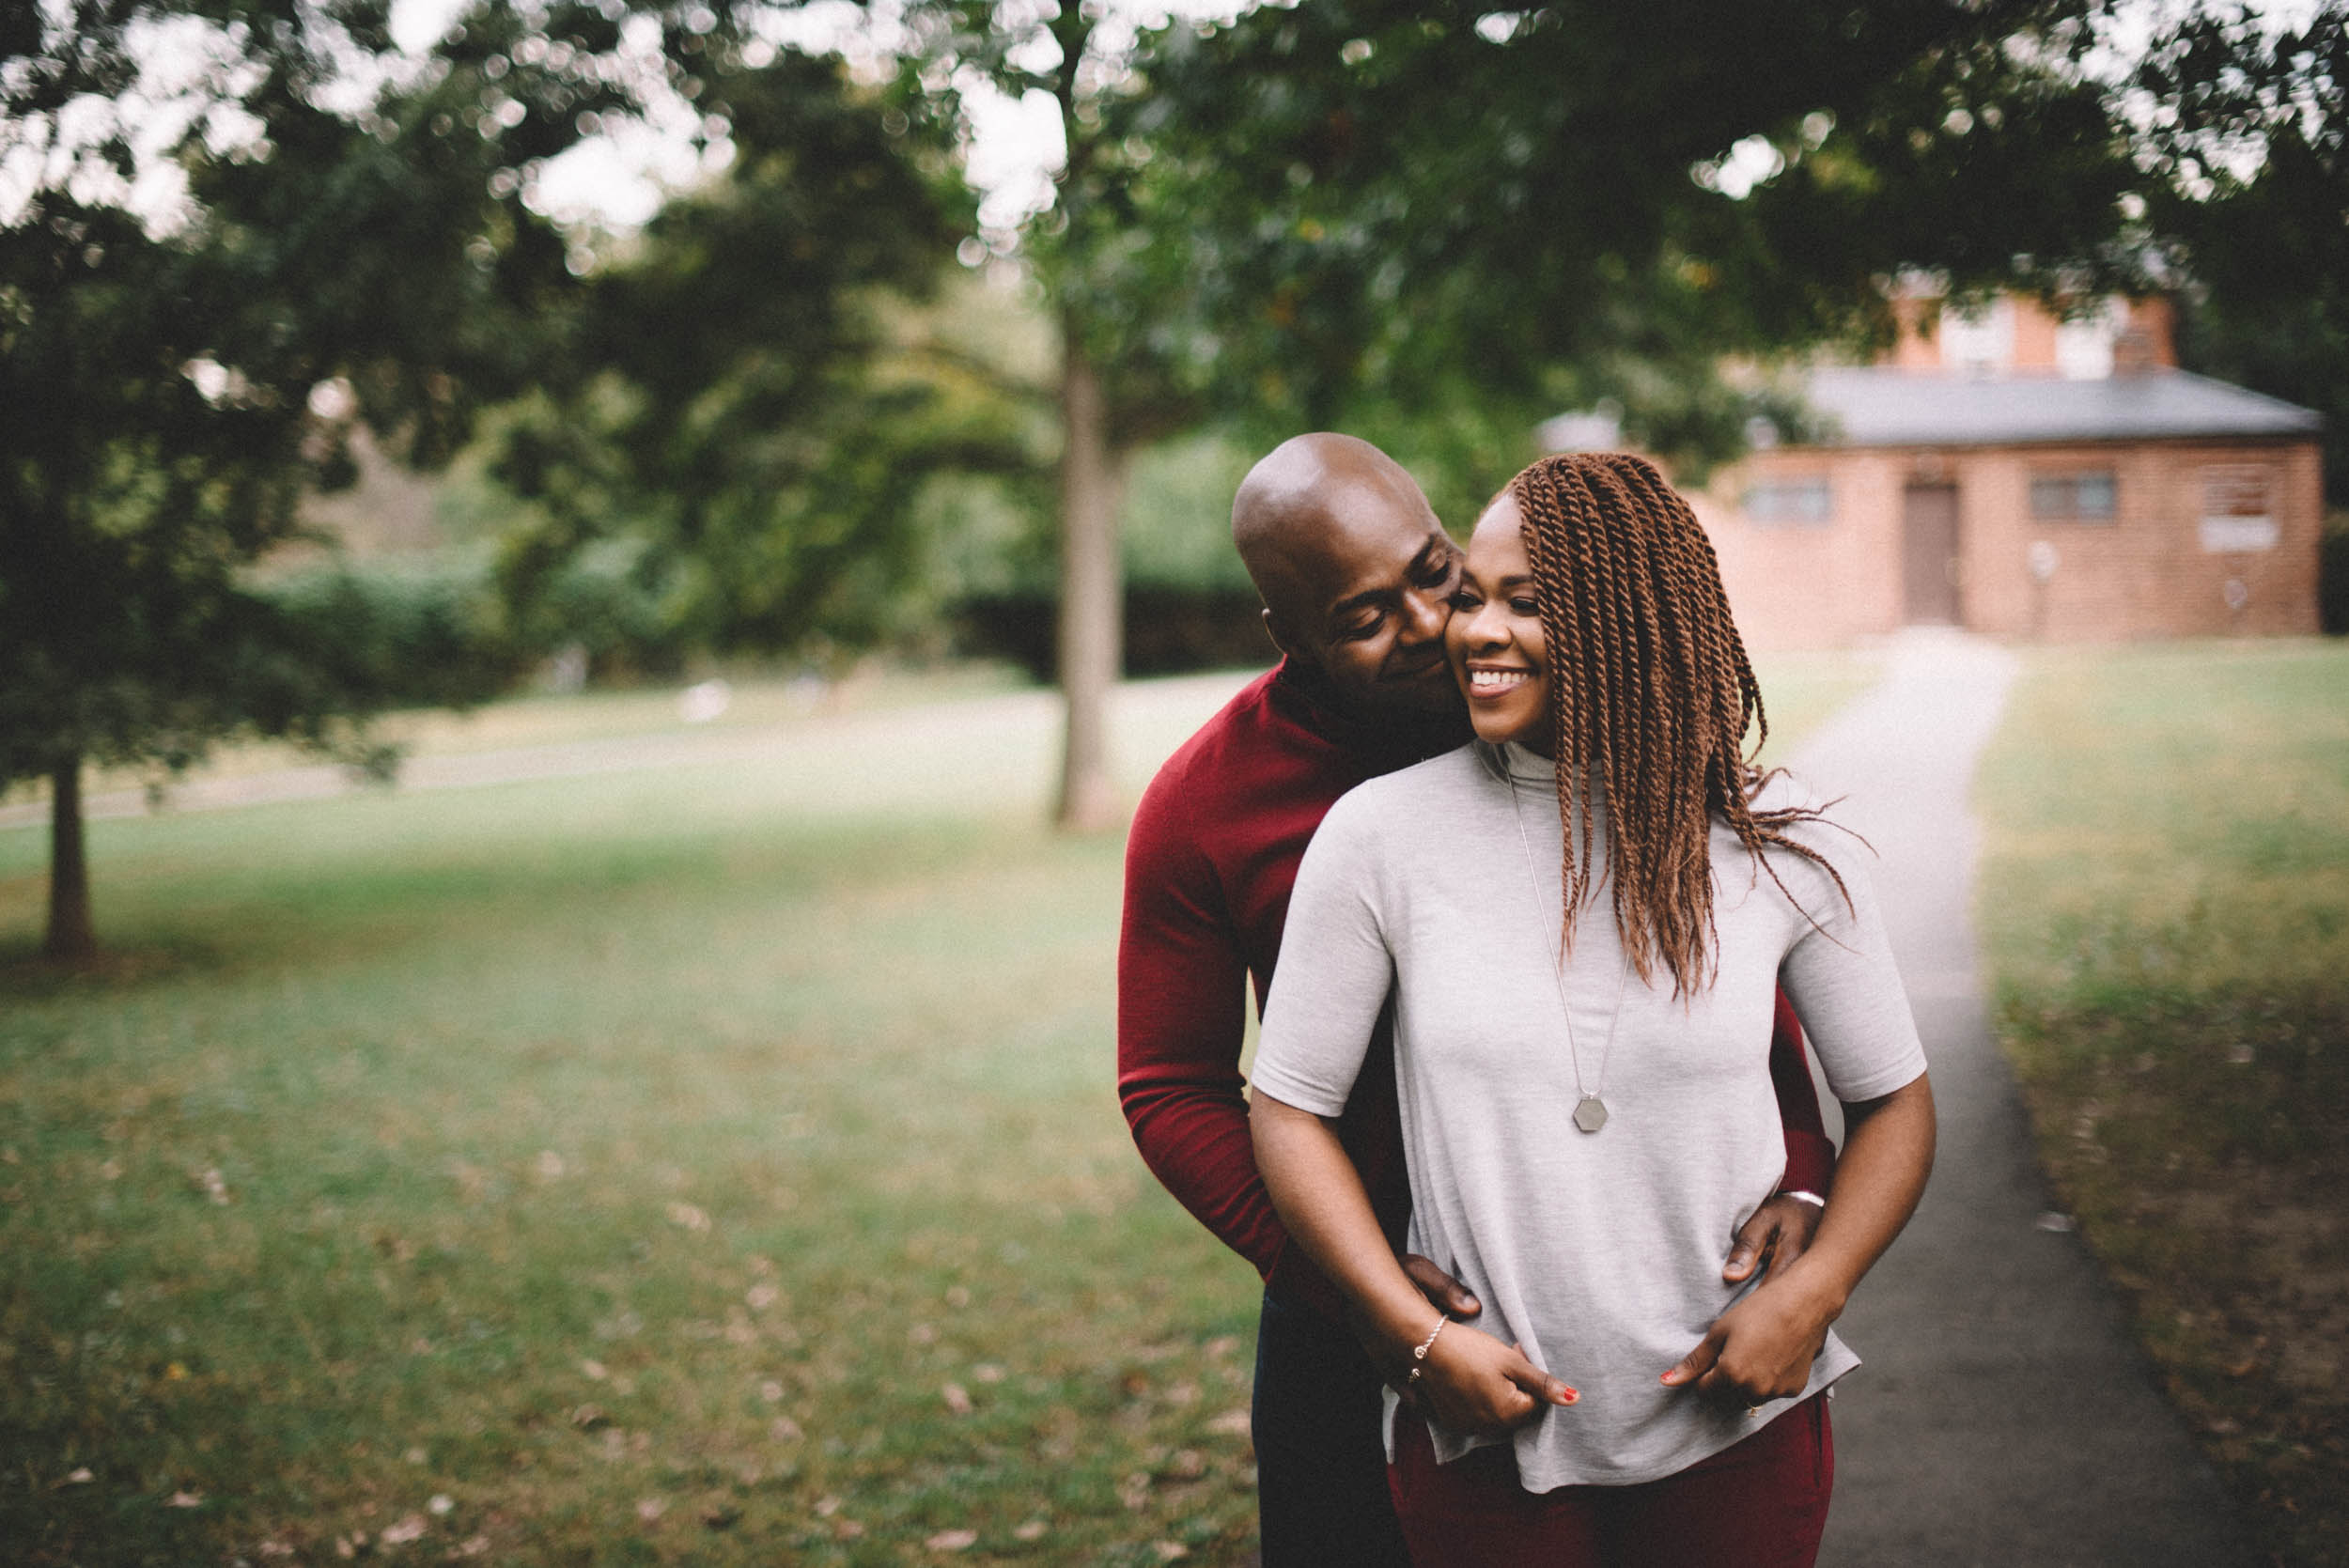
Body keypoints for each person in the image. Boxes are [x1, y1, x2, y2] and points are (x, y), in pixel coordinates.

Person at [1117, 434, 1845, 1564]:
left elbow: (1719, 951)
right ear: (1288, 639)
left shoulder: (1538, 697)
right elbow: (1169, 1084)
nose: (1426, 628)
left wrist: (1799, 1158)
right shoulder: (1207, 803)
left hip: (1619, 1270)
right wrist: (1350, 1288)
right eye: (1362, 618)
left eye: (1430, 571)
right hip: (1350, 1295)